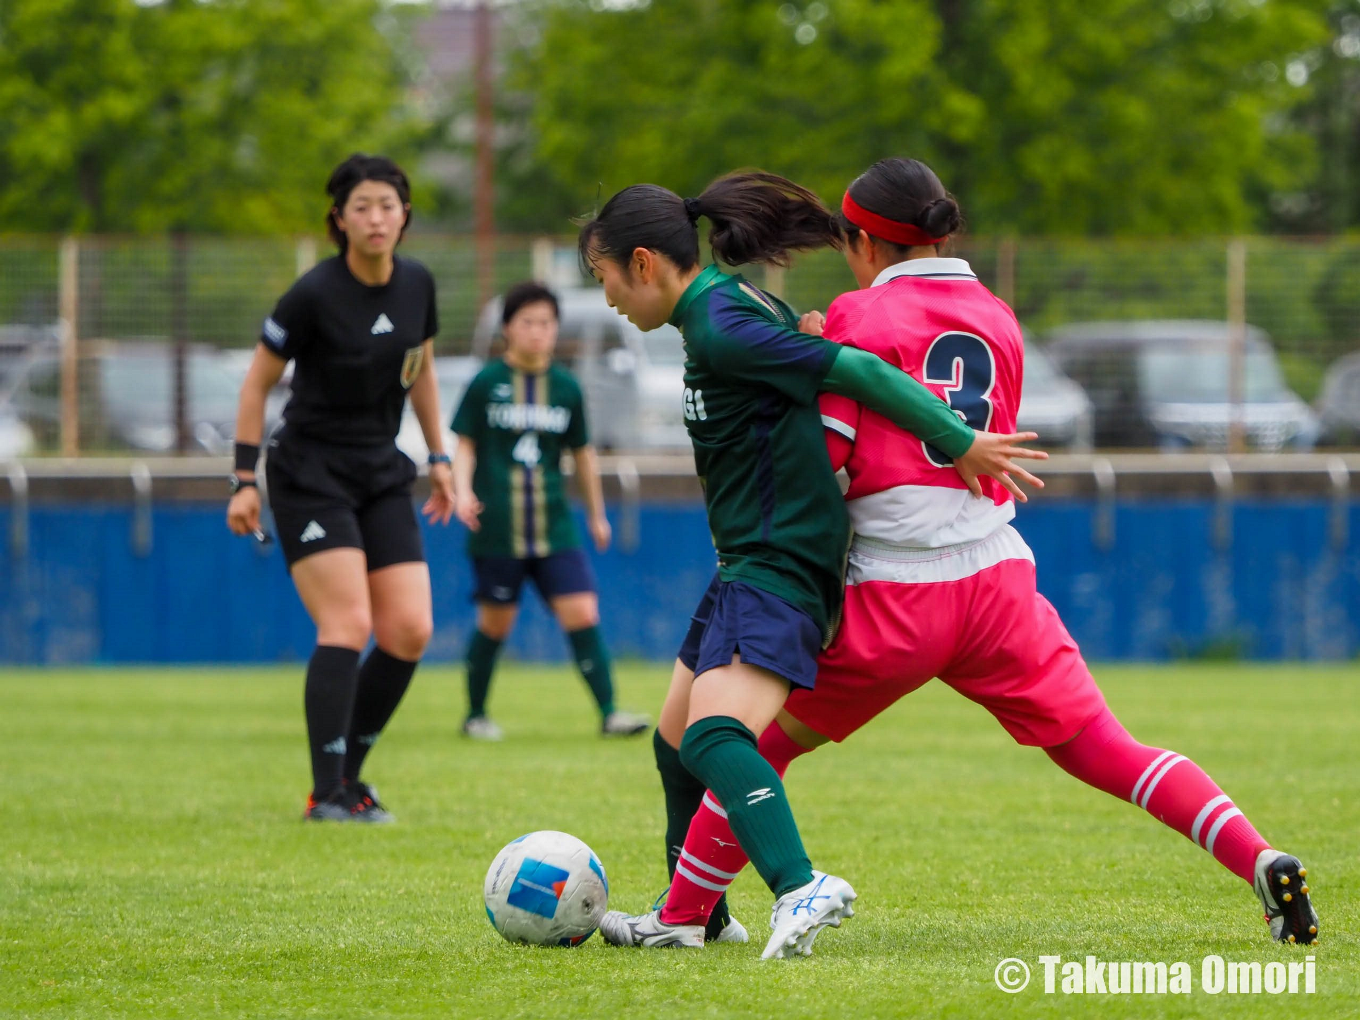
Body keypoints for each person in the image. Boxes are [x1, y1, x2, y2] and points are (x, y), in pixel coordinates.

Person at [633, 157, 1320, 949]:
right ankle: (1258, 857)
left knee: (747, 745)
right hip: (996, 579)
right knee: (1110, 749)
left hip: (894, 591)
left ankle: (682, 916)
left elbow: (827, 459)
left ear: (864, 243)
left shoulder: (860, 314)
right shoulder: (998, 315)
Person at [579, 171, 1046, 959]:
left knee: (716, 736)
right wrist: (807, 331)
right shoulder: (725, 306)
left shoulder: (720, 324)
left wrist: (959, 439)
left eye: (606, 279)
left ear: (645, 264)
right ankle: (692, 915)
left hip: (781, 556)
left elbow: (858, 371)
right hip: (748, 555)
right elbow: (804, 360)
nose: (610, 299)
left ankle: (800, 885)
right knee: (674, 736)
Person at [227, 153, 455, 824]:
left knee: (409, 629)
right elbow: (255, 385)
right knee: (349, 623)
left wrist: (440, 456)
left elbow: (421, 370)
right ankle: (325, 792)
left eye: (388, 205)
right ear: (339, 219)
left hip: (380, 469)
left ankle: (348, 778)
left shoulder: (418, 284)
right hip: (310, 472)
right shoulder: (312, 294)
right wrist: (243, 480)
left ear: (404, 215)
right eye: (362, 207)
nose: (376, 218)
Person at [450, 281, 650, 739]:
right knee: (495, 622)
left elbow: (583, 455)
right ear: (507, 328)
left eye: (546, 323)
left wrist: (597, 515)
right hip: (498, 528)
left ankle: (610, 713)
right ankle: (475, 715)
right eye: (528, 322)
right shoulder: (486, 383)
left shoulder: (566, 387)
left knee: (582, 611)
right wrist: (461, 491)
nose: (539, 332)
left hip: (554, 527)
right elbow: (465, 445)